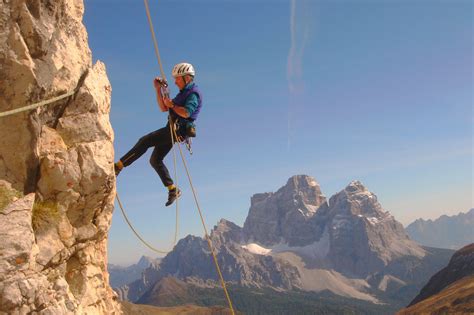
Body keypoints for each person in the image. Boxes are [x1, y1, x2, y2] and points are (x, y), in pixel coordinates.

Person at [114, 62, 202, 206]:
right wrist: (158, 89)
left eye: (178, 78)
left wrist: (172, 105)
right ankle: (172, 189)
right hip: (173, 130)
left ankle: (118, 166)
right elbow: (163, 108)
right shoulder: (182, 94)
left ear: (187, 78)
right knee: (155, 160)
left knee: (145, 141)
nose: (175, 81)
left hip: (177, 130)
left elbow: (186, 112)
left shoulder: (193, 94)